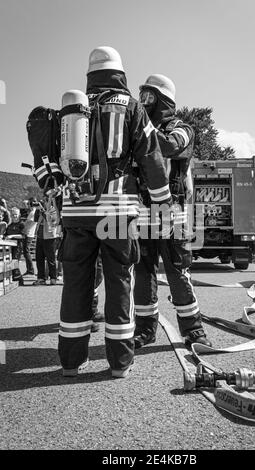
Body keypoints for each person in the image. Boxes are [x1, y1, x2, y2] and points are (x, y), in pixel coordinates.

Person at [57, 46, 172, 379]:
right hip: (116, 213)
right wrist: (162, 203)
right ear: (120, 74)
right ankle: (120, 362)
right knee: (120, 281)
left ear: (90, 75)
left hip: (76, 211)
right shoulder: (131, 108)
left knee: (76, 283)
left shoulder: (71, 109)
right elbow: (151, 158)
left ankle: (71, 362)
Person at [133, 74, 212, 349]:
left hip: (173, 215)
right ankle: (144, 330)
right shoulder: (138, 130)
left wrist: (140, 128)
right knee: (143, 275)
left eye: (148, 97)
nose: (143, 102)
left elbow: (168, 146)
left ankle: (193, 331)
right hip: (142, 213)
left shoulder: (182, 129)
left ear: (163, 99)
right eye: (140, 97)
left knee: (178, 273)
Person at [32, 197, 58, 285]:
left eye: (45, 201)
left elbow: (50, 220)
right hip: (40, 237)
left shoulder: (53, 210)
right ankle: (41, 278)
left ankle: (53, 277)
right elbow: (35, 220)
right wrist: (37, 210)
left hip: (50, 238)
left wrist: (42, 210)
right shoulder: (41, 210)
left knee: (51, 259)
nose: (43, 202)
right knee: (39, 258)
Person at [5, 207, 24, 285]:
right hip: (9, 247)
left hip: (18, 246)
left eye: (15, 215)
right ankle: (13, 278)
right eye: (12, 215)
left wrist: (12, 236)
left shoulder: (21, 224)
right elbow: (6, 235)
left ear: (19, 215)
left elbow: (23, 236)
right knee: (10, 262)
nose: (14, 216)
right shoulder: (9, 225)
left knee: (14, 262)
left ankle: (19, 280)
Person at [21, 197, 38, 276]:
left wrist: (23, 229)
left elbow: (29, 222)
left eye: (28, 204)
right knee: (26, 252)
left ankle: (30, 270)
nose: (27, 205)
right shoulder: (32, 211)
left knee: (26, 252)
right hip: (29, 233)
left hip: (28, 234)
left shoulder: (33, 212)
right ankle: (30, 270)